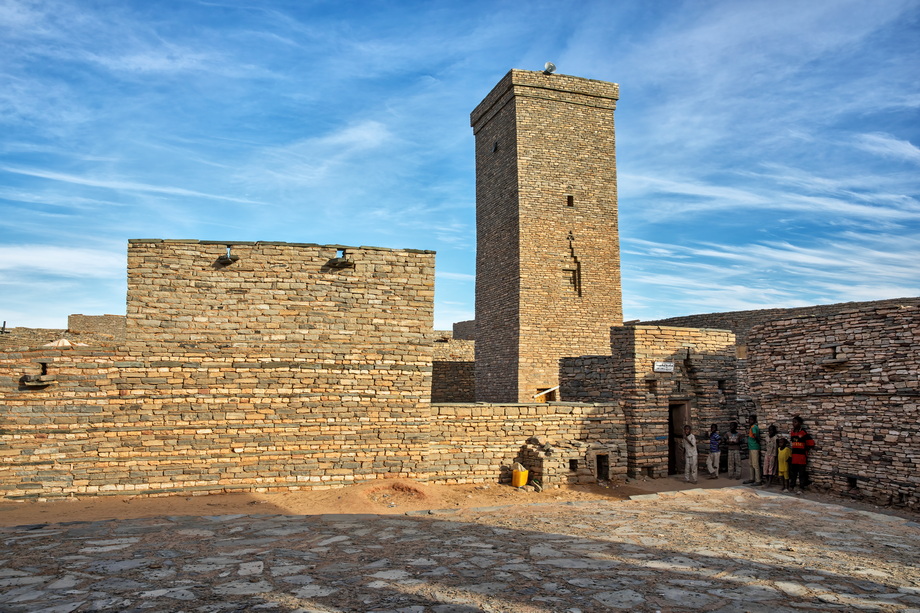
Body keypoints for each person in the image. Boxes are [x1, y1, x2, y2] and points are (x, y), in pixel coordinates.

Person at [789, 415, 815, 494]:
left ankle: (801, 487)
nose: (793, 424)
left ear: (800, 423)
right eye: (793, 422)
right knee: (793, 473)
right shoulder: (792, 432)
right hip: (794, 456)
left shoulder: (803, 433)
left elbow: (811, 443)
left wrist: (805, 449)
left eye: (795, 422)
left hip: (801, 457)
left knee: (801, 473)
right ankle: (792, 486)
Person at [744, 414, 762, 485]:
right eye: (749, 419)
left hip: (754, 447)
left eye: (751, 420)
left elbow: (755, 436)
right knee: (751, 464)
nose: (749, 421)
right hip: (751, 447)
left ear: (754, 420)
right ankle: (752, 478)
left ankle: (758, 480)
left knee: (755, 464)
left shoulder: (754, 427)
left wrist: (757, 442)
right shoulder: (752, 427)